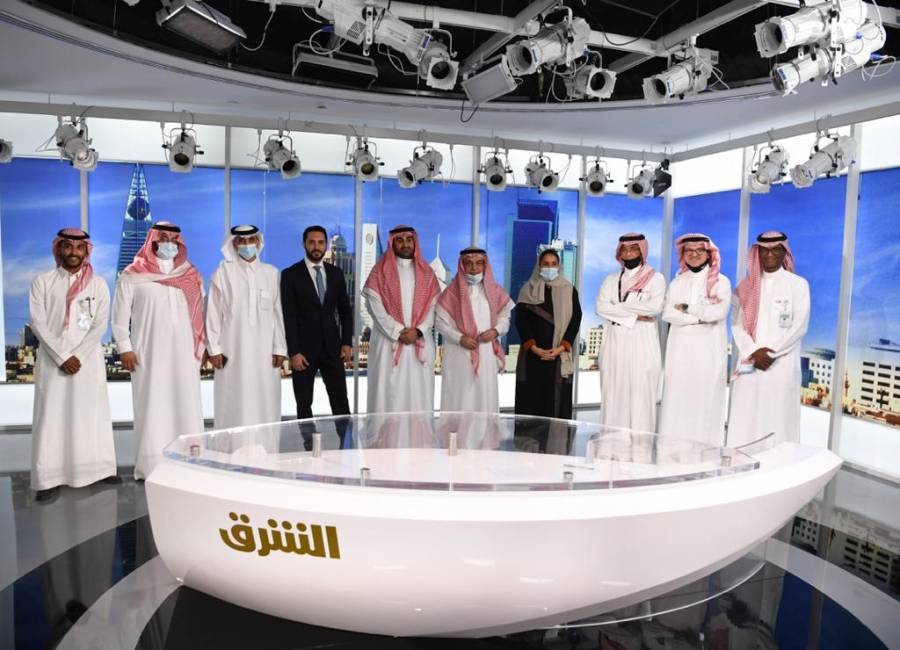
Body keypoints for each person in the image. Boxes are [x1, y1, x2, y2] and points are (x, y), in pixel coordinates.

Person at [29, 228, 117, 501]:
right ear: (59, 249)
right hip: (53, 362)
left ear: (86, 250)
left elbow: (99, 324)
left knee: (92, 414)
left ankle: (99, 469)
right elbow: (38, 323)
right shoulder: (42, 282)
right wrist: (62, 356)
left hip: (87, 362)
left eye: (79, 247)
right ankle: (48, 478)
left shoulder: (98, 284)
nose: (73, 252)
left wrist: (77, 354)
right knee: (51, 417)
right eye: (67, 246)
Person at [112, 221, 205, 479]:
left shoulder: (191, 275)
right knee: (152, 406)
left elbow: (200, 314)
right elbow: (119, 317)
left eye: (174, 239)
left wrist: (204, 346)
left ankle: (192, 462)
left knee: (187, 404)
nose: (169, 243)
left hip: (185, 352)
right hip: (148, 352)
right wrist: (124, 348)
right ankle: (151, 466)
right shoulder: (132, 275)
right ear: (152, 241)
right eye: (163, 238)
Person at [728, 231, 810, 446]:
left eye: (775, 250)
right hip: (750, 361)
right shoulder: (745, 287)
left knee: (778, 417)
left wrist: (771, 353)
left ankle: (777, 462)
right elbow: (737, 324)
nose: (770, 254)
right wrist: (753, 351)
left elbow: (799, 325)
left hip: (781, 363)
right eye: (764, 250)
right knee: (745, 415)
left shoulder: (798, 284)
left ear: (785, 252)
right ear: (757, 253)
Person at [206, 224, 287, 429]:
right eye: (241, 241)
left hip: (264, 353)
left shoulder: (271, 273)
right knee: (233, 401)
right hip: (232, 351)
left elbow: (278, 313)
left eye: (251, 240)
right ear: (234, 244)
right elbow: (213, 313)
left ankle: (265, 447)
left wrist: (279, 348)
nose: (246, 244)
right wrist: (214, 349)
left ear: (258, 242)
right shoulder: (223, 273)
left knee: (265, 401)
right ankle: (232, 448)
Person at [658, 234, 732, 446]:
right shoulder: (677, 283)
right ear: (683, 254)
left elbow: (718, 313)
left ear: (709, 254)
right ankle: (673, 449)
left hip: (708, 351)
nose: (694, 254)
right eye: (689, 250)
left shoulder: (721, 282)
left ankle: (705, 451)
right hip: (680, 351)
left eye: (699, 250)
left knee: (705, 398)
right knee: (678, 397)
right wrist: (699, 317)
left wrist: (687, 309)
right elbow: (668, 314)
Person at [363, 225, 440, 413]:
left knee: (418, 396)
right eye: (400, 240)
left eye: (409, 239)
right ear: (392, 243)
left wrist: (419, 330)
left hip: (419, 341)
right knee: (387, 395)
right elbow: (374, 306)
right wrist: (398, 331)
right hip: (388, 343)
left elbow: (434, 306)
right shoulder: (379, 271)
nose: (405, 244)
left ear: (415, 242)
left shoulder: (427, 273)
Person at [280, 225, 353, 423]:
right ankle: (310, 442)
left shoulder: (336, 273)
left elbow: (345, 311)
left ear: (326, 245)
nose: (316, 247)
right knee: (304, 406)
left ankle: (347, 441)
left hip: (333, 349)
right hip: (303, 353)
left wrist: (347, 343)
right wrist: (294, 352)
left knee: (341, 403)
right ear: (304, 244)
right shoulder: (290, 275)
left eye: (320, 242)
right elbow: (288, 316)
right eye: (312, 242)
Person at [595, 233, 666, 432]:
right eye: (624, 249)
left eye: (634, 248)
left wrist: (616, 308)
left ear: (642, 251)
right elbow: (600, 308)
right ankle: (612, 441)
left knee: (640, 394)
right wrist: (634, 316)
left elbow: (654, 308)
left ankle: (640, 444)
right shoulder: (610, 280)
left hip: (642, 343)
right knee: (613, 392)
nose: (628, 253)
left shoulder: (655, 278)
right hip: (613, 344)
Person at [436, 247, 514, 413]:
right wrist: (460, 338)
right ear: (462, 265)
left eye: (478, 263)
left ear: (485, 266)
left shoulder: (495, 291)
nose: (474, 268)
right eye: (469, 263)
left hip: (486, 353)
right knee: (460, 397)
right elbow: (440, 323)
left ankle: (485, 431)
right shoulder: (451, 293)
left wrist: (495, 331)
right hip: (459, 354)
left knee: (484, 397)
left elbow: (505, 317)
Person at [513, 249, 582, 421]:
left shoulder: (569, 290)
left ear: (559, 266)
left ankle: (556, 440)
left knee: (556, 406)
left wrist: (561, 347)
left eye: (553, 264)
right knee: (531, 404)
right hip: (532, 357)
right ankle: (529, 440)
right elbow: (521, 321)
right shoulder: (527, 289)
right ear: (539, 266)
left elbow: (575, 320)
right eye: (546, 264)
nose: (550, 268)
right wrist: (534, 349)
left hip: (558, 356)